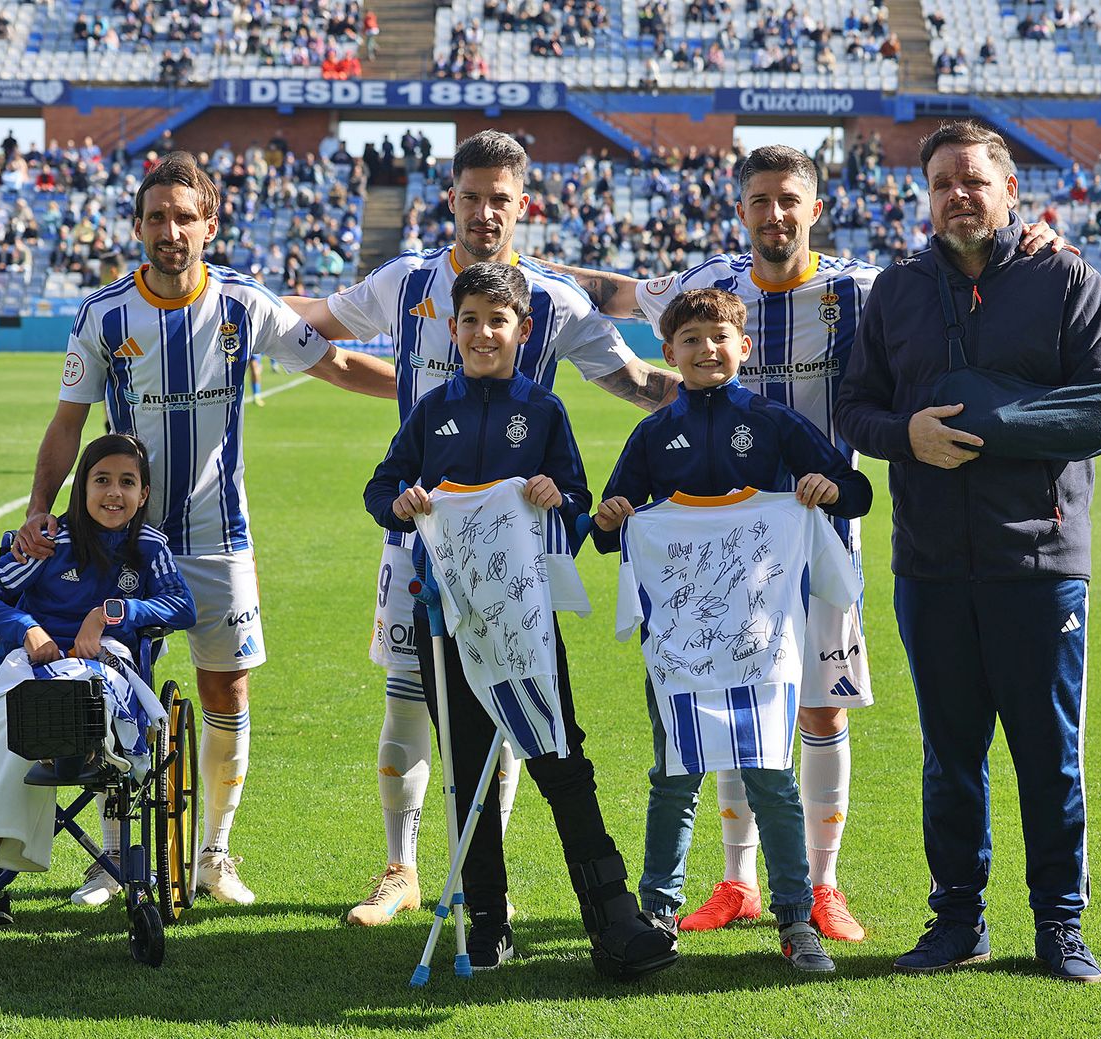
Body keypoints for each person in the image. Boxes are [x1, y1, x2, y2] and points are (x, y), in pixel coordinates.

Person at [542, 145, 1064, 943]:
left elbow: (950, 270)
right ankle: (737, 881)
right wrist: (521, 259)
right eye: (760, 199)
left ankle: (821, 885)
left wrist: (1036, 240)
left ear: (814, 209)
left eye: (790, 199)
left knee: (819, 710)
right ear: (741, 207)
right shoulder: (703, 288)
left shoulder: (860, 288)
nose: (774, 213)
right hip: (717, 551)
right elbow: (612, 293)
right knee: (723, 697)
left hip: (818, 538)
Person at [285, 130, 680, 928]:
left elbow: (636, 383)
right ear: (451, 199)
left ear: (522, 205)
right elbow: (315, 322)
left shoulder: (556, 302)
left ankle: (476, 883)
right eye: (471, 196)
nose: (485, 211)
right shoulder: (404, 285)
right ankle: (399, 868)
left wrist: (740, 413)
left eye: (501, 198)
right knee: (407, 706)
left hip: (515, 562)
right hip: (418, 548)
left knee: (504, 715)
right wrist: (217, 297)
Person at [10, 151, 396, 907]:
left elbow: (339, 365)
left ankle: (214, 851)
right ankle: (117, 857)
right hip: (122, 539)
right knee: (112, 683)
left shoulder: (245, 305)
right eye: (157, 216)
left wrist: (430, 389)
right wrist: (37, 507)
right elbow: (66, 425)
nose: (171, 230)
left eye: (185, 216)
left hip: (220, 536)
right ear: (137, 226)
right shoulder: (105, 314)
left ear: (210, 224)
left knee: (228, 684)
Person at [836, 119, 1101, 983]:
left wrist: (992, 426)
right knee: (950, 754)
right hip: (927, 562)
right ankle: (957, 920)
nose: (958, 195)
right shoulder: (895, 290)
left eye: (974, 180)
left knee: (1049, 752)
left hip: (1038, 558)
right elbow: (857, 409)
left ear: (1009, 189)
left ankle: (1059, 926)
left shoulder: (1065, 275)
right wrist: (908, 434)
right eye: (942, 183)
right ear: (926, 197)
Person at [362, 262, 678, 977]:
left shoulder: (542, 410)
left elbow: (574, 496)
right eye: (469, 320)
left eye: (496, 321)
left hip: (526, 618)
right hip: (447, 621)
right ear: (452, 327)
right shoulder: (431, 408)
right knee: (466, 769)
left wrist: (553, 493)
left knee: (560, 759)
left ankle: (614, 920)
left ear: (523, 330)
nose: (482, 333)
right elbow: (381, 486)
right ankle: (488, 922)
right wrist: (403, 502)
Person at [591, 287, 872, 971]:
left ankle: (793, 914)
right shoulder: (654, 432)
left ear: (743, 347)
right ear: (670, 353)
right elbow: (605, 531)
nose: (706, 349)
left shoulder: (772, 420)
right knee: (673, 773)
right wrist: (610, 516)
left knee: (770, 773)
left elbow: (856, 490)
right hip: (679, 636)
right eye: (690, 339)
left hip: (762, 633)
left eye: (719, 337)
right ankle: (659, 911)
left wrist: (828, 491)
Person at [0, 434, 197, 911]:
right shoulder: (48, 541)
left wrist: (111, 612)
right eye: (100, 480)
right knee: (10, 713)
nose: (113, 493)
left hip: (102, 663)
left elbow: (182, 606)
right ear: (81, 488)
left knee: (60, 705)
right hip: (33, 661)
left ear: (143, 494)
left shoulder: (147, 546)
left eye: (127, 483)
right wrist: (26, 628)